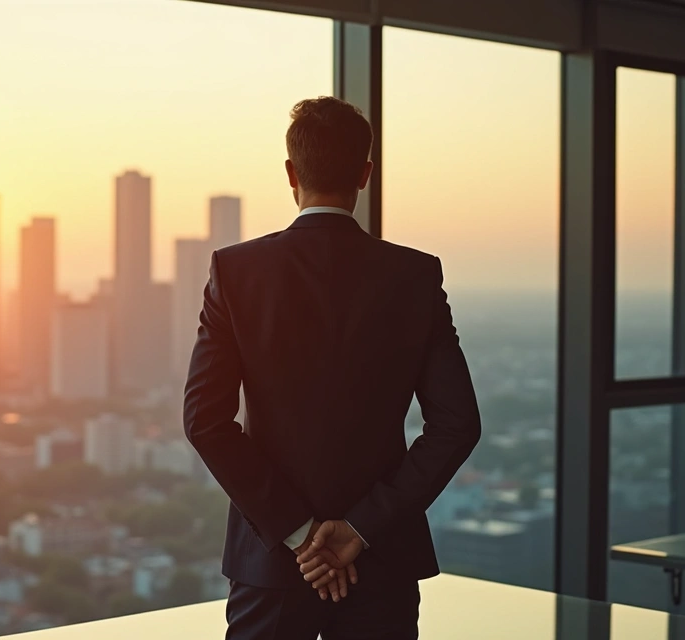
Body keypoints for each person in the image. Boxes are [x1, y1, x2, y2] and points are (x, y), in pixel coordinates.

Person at [183, 96, 482, 639]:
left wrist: (298, 533)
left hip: (273, 563)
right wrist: (361, 528)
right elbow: (457, 425)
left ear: (291, 173)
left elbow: (204, 421)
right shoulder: (414, 276)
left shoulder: (236, 272)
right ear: (365, 174)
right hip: (383, 561)